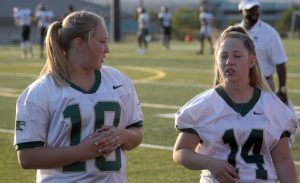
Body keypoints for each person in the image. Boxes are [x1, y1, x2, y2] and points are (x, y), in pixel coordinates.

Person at [14, 11, 143, 183]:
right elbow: (27, 157)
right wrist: (83, 151)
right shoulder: (40, 91)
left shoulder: (119, 81)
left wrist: (121, 135)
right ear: (79, 43)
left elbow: (136, 133)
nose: (107, 49)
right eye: (102, 42)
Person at [173, 26, 298, 183]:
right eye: (223, 56)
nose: (229, 61)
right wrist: (210, 163)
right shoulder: (204, 105)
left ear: (252, 60)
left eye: (237, 56)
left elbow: (283, 160)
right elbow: (180, 151)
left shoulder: (271, 105)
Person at [237, 0, 289, 105]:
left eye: (256, 9)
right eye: (249, 10)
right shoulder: (235, 32)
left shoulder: (270, 33)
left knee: (266, 119)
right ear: (241, 11)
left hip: (264, 84)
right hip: (240, 85)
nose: (254, 12)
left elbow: (280, 62)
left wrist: (282, 88)